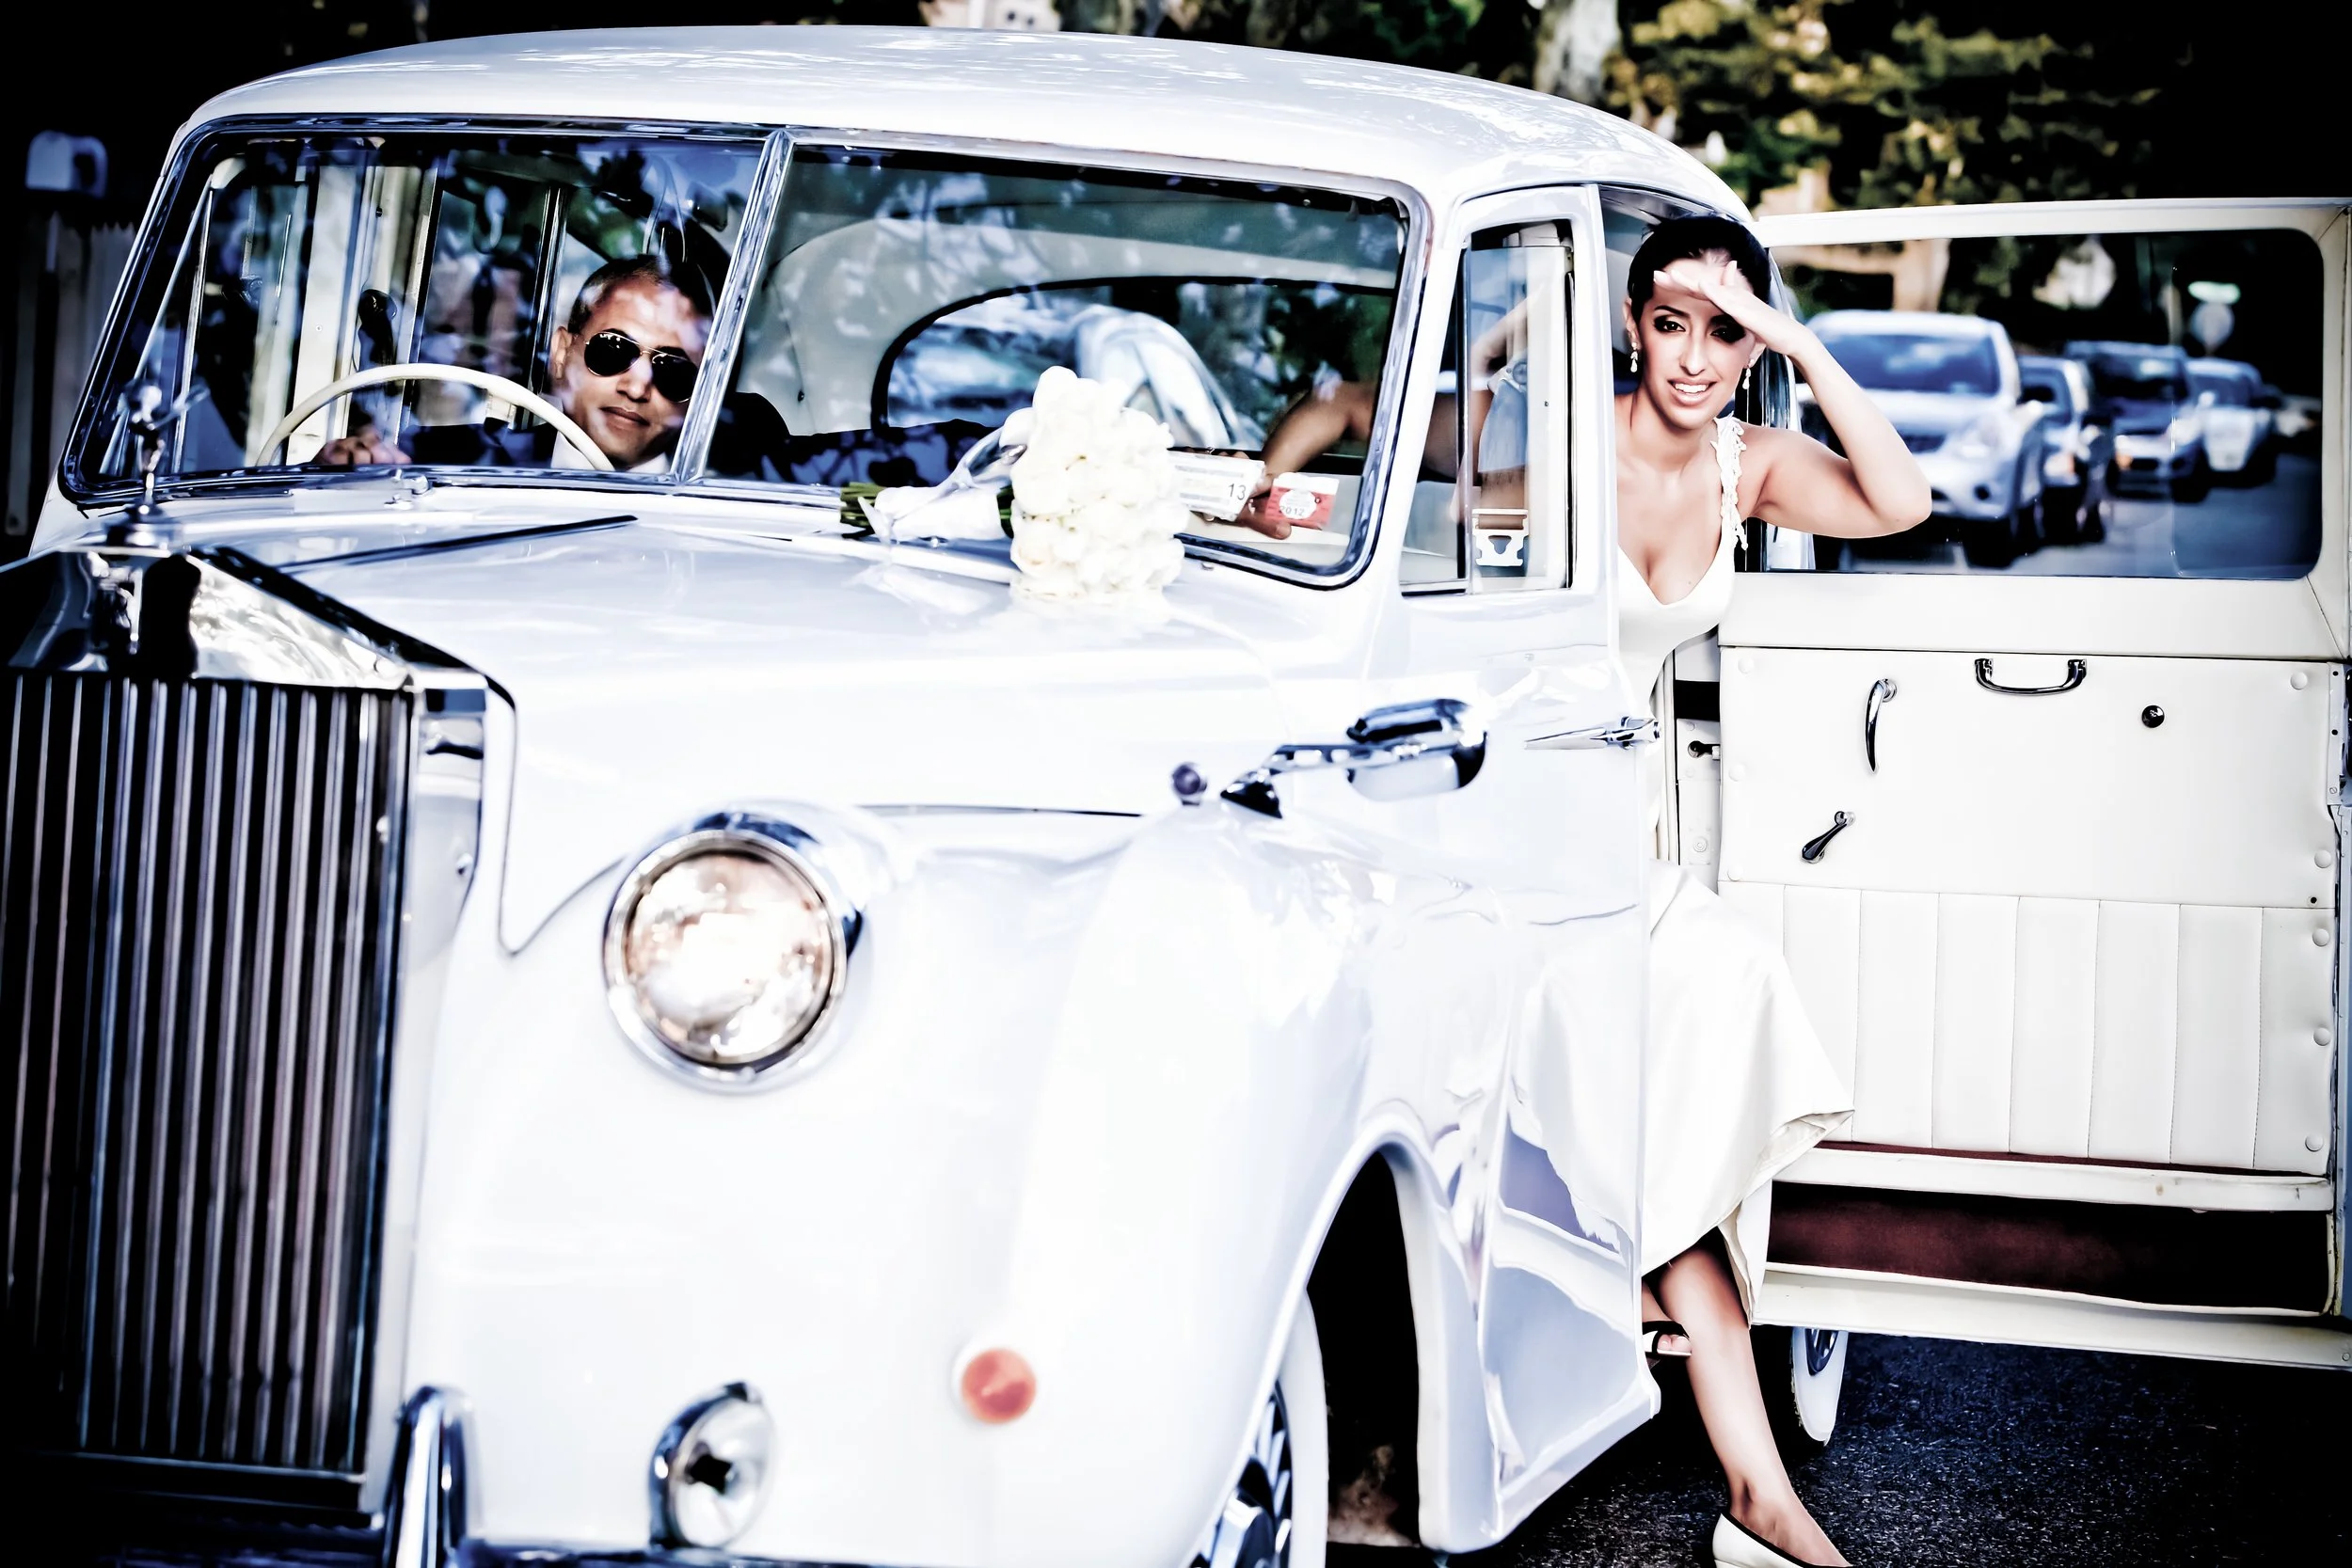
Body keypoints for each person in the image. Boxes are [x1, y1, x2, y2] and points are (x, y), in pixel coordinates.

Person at [1246, 214, 1931, 1568]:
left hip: (1621, 850)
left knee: (1708, 998)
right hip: (1503, 833)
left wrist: (1795, 339)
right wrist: (1276, 494)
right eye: (1669, 321)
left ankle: (1748, 1477)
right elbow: (1339, 416)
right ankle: (1758, 1490)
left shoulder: (1754, 463)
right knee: (1661, 1067)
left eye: (1723, 330)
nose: (1692, 356)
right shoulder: (1554, 446)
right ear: (1628, 323)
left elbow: (1902, 501)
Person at [319, 252, 711, 472]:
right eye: (612, 350)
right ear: (561, 353)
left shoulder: (735, 506)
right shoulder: (443, 460)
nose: (637, 386)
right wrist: (343, 467)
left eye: (672, 370)